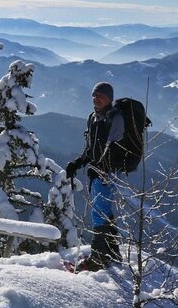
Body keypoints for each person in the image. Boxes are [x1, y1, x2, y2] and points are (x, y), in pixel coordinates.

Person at [65, 81, 125, 272]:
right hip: (97, 171)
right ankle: (113, 252)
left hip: (108, 173)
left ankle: (98, 258)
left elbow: (116, 148)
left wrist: (100, 167)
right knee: (104, 211)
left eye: (102, 96)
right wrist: (78, 163)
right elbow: (90, 149)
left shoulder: (115, 118)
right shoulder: (93, 118)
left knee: (98, 213)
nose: (97, 98)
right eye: (95, 95)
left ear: (109, 98)